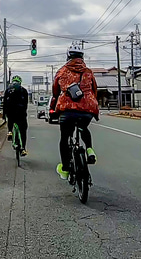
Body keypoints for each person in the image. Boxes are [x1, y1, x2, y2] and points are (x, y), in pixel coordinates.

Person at [49, 42, 99, 180]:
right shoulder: (88, 72)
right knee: (83, 127)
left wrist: (52, 109)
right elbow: (94, 90)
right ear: (82, 57)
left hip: (67, 110)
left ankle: (65, 169)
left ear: (68, 56)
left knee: (65, 138)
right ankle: (89, 149)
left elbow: (55, 92)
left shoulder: (62, 71)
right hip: (87, 109)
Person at [3, 75, 29, 156]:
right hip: (21, 113)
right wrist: (24, 113)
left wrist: (4, 114)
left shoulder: (8, 90)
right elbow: (26, 104)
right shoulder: (24, 91)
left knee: (10, 119)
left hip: (10, 112)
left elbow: (4, 103)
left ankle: (10, 131)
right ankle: (23, 149)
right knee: (23, 131)